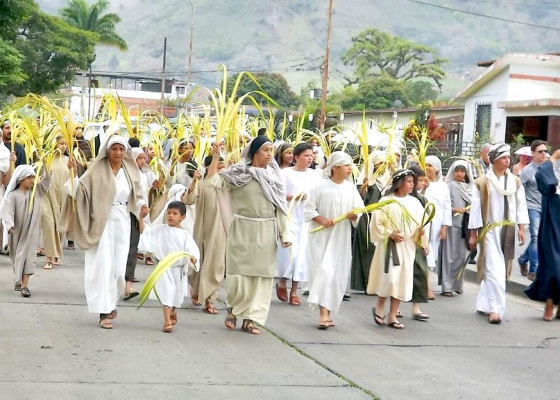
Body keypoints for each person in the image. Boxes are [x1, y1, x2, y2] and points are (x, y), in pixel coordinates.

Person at [206, 136, 293, 335]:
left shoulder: (275, 178)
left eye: (271, 150)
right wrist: (215, 157)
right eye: (265, 150)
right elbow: (212, 181)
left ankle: (251, 319)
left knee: (261, 278)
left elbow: (280, 207)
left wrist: (285, 233)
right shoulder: (237, 174)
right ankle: (233, 309)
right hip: (242, 228)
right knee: (238, 275)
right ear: (254, 153)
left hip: (266, 230)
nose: (270, 154)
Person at [61, 135, 144, 329]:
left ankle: (111, 303)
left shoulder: (129, 171)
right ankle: (103, 312)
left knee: (118, 268)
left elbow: (138, 196)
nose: (118, 153)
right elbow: (78, 190)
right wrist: (73, 173)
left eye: (121, 149)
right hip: (101, 221)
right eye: (114, 149)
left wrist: (142, 210)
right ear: (107, 150)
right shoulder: (96, 171)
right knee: (102, 266)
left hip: (122, 219)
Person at [468, 143, 529, 324]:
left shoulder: (515, 182)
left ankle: (484, 303)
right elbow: (476, 210)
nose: (508, 160)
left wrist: (521, 228)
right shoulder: (482, 183)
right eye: (504, 157)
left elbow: (520, 205)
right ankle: (495, 309)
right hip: (489, 231)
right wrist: (473, 234)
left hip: (507, 230)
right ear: (494, 160)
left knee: (497, 269)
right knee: (495, 271)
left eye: (509, 157)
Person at [305, 151, 364, 329]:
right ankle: (323, 314)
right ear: (336, 167)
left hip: (340, 238)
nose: (349, 169)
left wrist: (354, 217)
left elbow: (359, 210)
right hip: (321, 236)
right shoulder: (319, 186)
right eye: (347, 166)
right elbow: (308, 209)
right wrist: (321, 219)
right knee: (324, 272)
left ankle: (328, 311)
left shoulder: (350, 188)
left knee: (335, 273)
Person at [367, 169, 428, 329]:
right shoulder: (386, 201)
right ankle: (380, 306)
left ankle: (393, 315)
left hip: (407, 245)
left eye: (413, 182)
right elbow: (376, 224)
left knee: (402, 279)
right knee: (390, 277)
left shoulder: (415, 202)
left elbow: (421, 223)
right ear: (399, 183)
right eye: (409, 181)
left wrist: (422, 237)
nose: (412, 185)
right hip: (390, 245)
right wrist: (390, 233)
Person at [140, 201, 200, 332]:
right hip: (165, 268)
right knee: (166, 293)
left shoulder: (185, 234)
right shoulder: (161, 229)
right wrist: (141, 218)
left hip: (178, 270)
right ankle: (167, 321)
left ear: (182, 217)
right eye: (169, 213)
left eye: (174, 213)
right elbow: (146, 232)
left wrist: (193, 258)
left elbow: (192, 250)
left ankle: (173, 310)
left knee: (175, 296)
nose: (170, 216)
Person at [276, 143, 318, 306]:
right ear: (296, 157)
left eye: (311, 155)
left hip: (306, 218)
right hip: (290, 215)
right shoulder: (285, 173)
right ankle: (282, 280)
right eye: (306, 155)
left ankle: (294, 290)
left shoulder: (315, 175)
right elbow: (278, 195)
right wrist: (294, 197)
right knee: (289, 251)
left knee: (301, 254)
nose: (310, 158)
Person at [1, 165, 51, 296]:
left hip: (31, 231)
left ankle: (24, 285)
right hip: (16, 232)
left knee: (29, 256)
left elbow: (46, 182)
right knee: (16, 257)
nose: (32, 180)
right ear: (21, 179)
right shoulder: (12, 195)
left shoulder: (36, 191)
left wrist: (47, 167)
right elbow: (7, 211)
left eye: (33, 177)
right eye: (29, 177)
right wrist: (10, 225)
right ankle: (18, 279)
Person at [190, 155, 230, 315]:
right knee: (198, 263)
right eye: (218, 168)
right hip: (201, 230)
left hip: (220, 232)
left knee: (216, 265)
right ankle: (196, 289)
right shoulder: (202, 186)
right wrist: (193, 182)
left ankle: (210, 300)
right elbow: (187, 199)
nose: (221, 171)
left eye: (223, 168)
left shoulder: (227, 187)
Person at [525, 149, 560, 321]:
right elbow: (544, 182)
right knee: (552, 263)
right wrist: (552, 158)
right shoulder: (550, 167)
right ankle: (548, 303)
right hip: (553, 218)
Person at [350, 150, 390, 292]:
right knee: (368, 251)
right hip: (368, 219)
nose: (383, 167)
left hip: (384, 220)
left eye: (385, 163)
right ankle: (368, 283)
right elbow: (359, 201)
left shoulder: (387, 180)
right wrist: (363, 188)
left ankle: (381, 284)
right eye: (380, 163)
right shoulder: (365, 180)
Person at [41, 136, 77, 269]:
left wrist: (73, 168)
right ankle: (49, 257)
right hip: (47, 197)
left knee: (61, 225)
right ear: (54, 144)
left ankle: (56, 254)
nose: (63, 146)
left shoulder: (69, 160)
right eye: (61, 143)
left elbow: (74, 178)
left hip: (63, 196)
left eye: (65, 144)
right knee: (48, 223)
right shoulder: (46, 159)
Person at [439, 161, 472, 296]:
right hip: (451, 224)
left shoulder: (470, 188)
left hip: (464, 226)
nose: (459, 173)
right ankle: (447, 286)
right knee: (449, 256)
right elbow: (444, 205)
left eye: (462, 171)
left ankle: (457, 285)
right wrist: (454, 209)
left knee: (461, 256)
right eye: (457, 171)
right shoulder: (448, 186)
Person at [518, 140, 547, 281]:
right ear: (533, 153)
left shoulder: (549, 168)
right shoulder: (527, 171)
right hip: (531, 206)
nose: (543, 154)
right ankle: (533, 270)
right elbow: (518, 189)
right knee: (535, 236)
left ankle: (523, 258)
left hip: (546, 206)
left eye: (545, 151)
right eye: (540, 151)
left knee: (541, 238)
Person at [424, 155, 452, 298]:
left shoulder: (443, 186)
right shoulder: (422, 184)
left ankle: (424, 282)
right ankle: (427, 287)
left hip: (437, 223)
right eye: (426, 165)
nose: (428, 168)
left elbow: (447, 207)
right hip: (424, 223)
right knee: (426, 250)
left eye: (430, 165)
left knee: (432, 251)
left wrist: (444, 227)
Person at [409, 166, 431, 320]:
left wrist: (425, 242)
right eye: (421, 180)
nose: (423, 183)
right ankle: (394, 308)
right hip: (401, 240)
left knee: (419, 272)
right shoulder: (394, 196)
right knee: (398, 274)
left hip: (417, 241)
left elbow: (426, 222)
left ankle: (416, 307)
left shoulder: (422, 199)